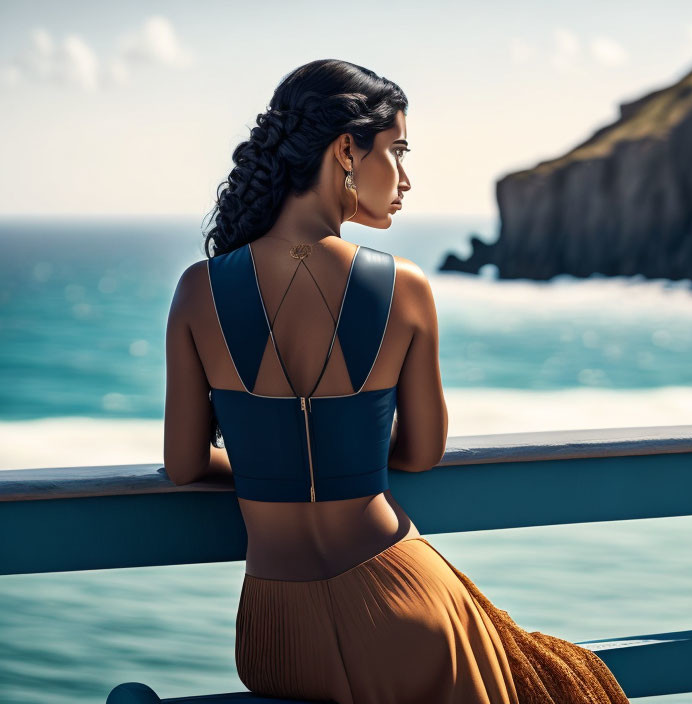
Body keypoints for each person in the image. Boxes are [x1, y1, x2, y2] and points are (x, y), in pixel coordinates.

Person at [163, 58, 629, 704]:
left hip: (274, 630)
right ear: (346, 150)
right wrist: (340, 458)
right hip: (401, 605)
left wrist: (280, 465)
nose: (406, 179)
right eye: (397, 151)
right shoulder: (403, 288)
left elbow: (184, 465)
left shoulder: (197, 292)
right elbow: (422, 451)